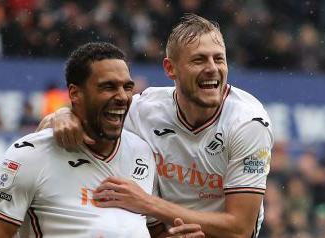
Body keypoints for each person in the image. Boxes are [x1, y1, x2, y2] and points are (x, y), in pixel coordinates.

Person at [43, 14, 274, 238]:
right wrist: (63, 115)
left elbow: (239, 229)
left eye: (219, 59)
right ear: (170, 69)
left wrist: (147, 203)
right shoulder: (145, 111)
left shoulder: (248, 123)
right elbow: (63, 120)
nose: (213, 68)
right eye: (199, 59)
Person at [0, 42, 204, 238]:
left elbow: (147, 231)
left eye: (127, 87)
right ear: (75, 94)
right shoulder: (29, 155)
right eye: (108, 87)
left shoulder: (141, 151)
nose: (122, 97)